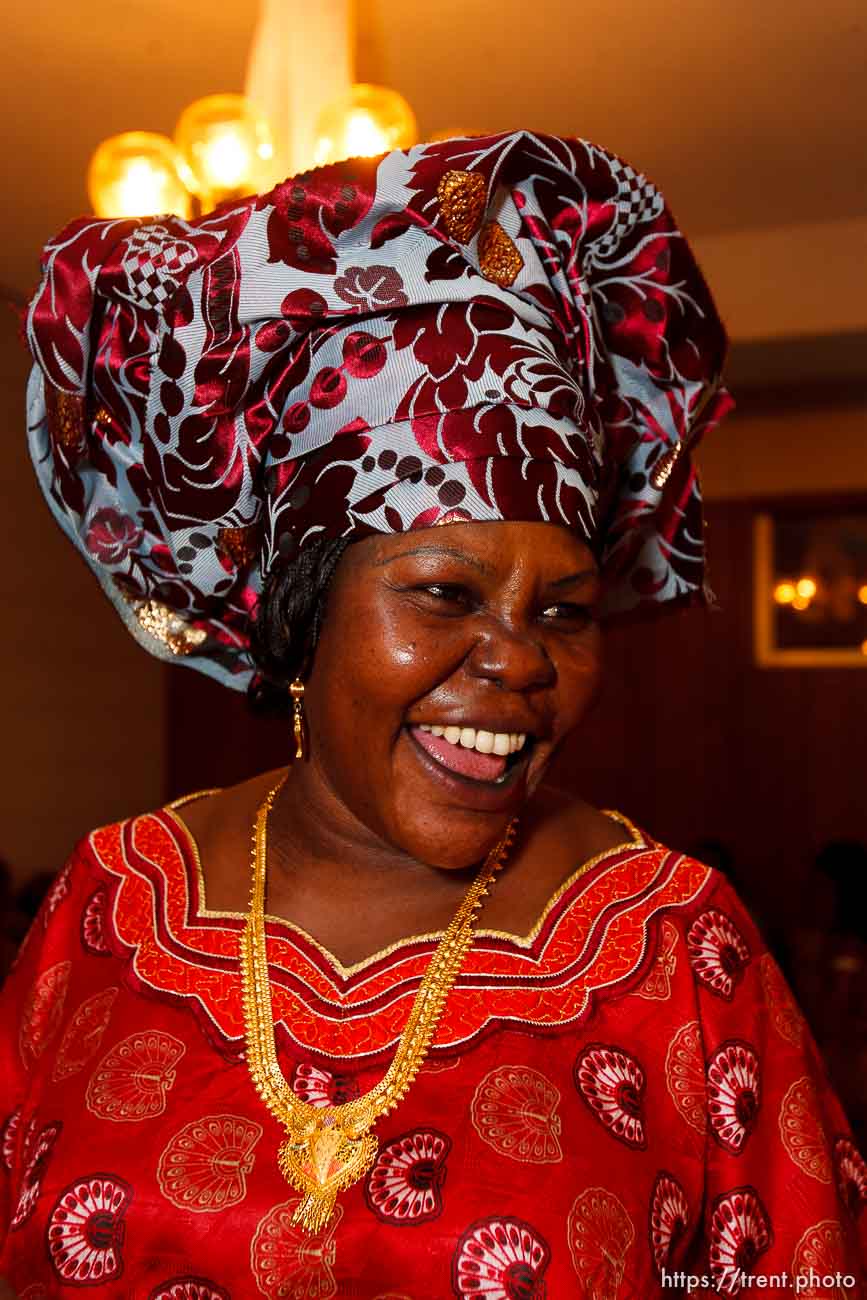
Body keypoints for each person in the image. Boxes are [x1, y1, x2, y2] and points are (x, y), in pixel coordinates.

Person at [2, 130, 865, 1298]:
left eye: (565, 612)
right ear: (307, 613)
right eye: (445, 593)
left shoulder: (679, 946)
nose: (518, 659)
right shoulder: (112, 897)